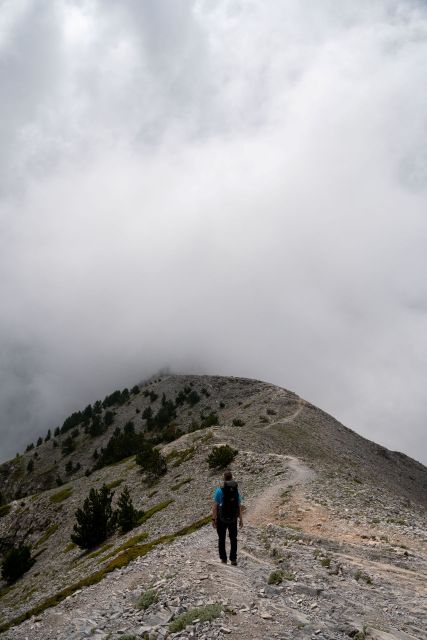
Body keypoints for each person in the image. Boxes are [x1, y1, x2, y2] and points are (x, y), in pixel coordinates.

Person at [212, 469, 243, 565]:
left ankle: (223, 559)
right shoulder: (235, 491)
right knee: (233, 538)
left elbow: (215, 506)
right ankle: (233, 559)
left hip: (221, 518)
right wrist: (241, 519)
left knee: (222, 538)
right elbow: (238, 505)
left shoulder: (219, 490)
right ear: (232, 478)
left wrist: (214, 519)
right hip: (233, 518)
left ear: (224, 479)